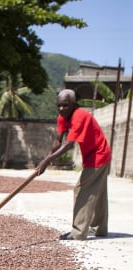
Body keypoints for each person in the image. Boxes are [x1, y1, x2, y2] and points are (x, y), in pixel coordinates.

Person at [37, 89, 111, 241]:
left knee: (82, 190)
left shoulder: (80, 116)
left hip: (98, 155)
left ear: (74, 104)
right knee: (98, 192)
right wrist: (47, 159)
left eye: (65, 105)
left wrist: (46, 162)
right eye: (59, 105)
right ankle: (100, 228)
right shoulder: (62, 117)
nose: (61, 109)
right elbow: (58, 141)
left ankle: (78, 232)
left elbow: (69, 144)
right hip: (94, 155)